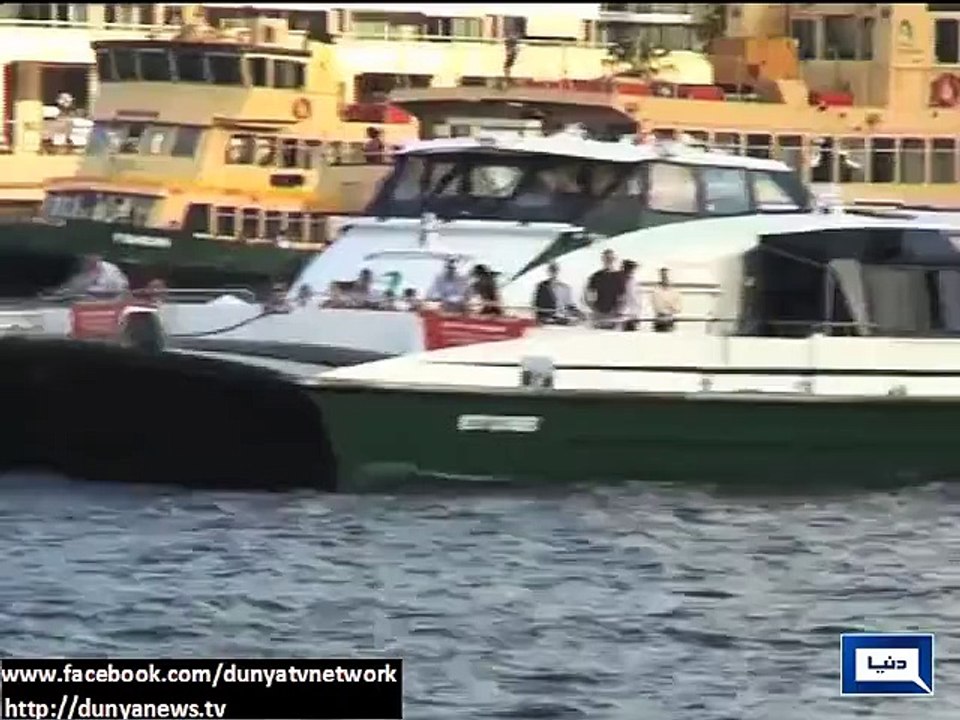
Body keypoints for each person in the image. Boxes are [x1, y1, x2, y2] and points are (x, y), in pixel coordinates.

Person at [583, 249, 624, 329]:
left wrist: (616, 312)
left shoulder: (620, 277)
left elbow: (622, 297)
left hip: (614, 317)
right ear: (602, 259)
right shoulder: (595, 277)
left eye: (611, 258)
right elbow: (590, 298)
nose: (609, 260)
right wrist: (597, 312)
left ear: (614, 259)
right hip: (598, 317)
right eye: (607, 258)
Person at [56, 254, 129, 298]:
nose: (92, 257)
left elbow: (123, 290)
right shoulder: (72, 268)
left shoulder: (111, 269)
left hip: (106, 306)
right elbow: (64, 292)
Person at [651, 267, 682, 332]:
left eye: (666, 275)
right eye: (663, 276)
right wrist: (670, 306)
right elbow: (658, 308)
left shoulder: (675, 292)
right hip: (659, 323)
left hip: (670, 321)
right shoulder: (656, 291)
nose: (665, 278)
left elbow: (678, 308)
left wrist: (668, 306)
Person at [620, 259, 641, 331]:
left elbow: (638, 300)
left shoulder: (635, 282)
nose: (630, 271)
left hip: (633, 315)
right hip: (622, 316)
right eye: (628, 268)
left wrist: (637, 315)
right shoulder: (619, 281)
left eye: (631, 269)